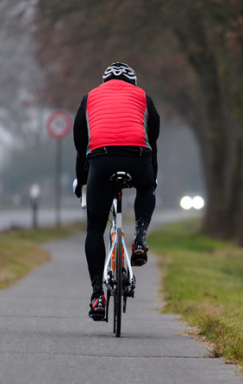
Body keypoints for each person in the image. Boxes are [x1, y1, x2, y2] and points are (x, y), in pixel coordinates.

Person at [72, 62, 160, 321]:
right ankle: (140, 238)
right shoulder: (144, 96)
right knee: (146, 186)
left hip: (101, 160)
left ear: (105, 81)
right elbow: (152, 140)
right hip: (138, 157)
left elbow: (80, 147)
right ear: (132, 82)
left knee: (94, 228)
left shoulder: (89, 97)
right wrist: (152, 179)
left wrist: (82, 182)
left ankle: (97, 294)